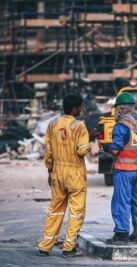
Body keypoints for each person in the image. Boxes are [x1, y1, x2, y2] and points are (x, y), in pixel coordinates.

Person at [38, 94, 96, 257]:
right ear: (75, 108)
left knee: (55, 210)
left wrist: (50, 172)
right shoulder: (79, 126)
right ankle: (68, 247)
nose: (81, 110)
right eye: (80, 107)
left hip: (57, 172)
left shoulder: (53, 124)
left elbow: (48, 151)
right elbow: (81, 150)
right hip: (74, 173)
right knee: (76, 211)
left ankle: (45, 245)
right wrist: (90, 139)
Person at [102, 93, 137, 245]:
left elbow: (116, 150)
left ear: (121, 109)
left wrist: (105, 147)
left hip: (124, 170)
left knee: (121, 202)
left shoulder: (121, 126)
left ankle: (121, 234)